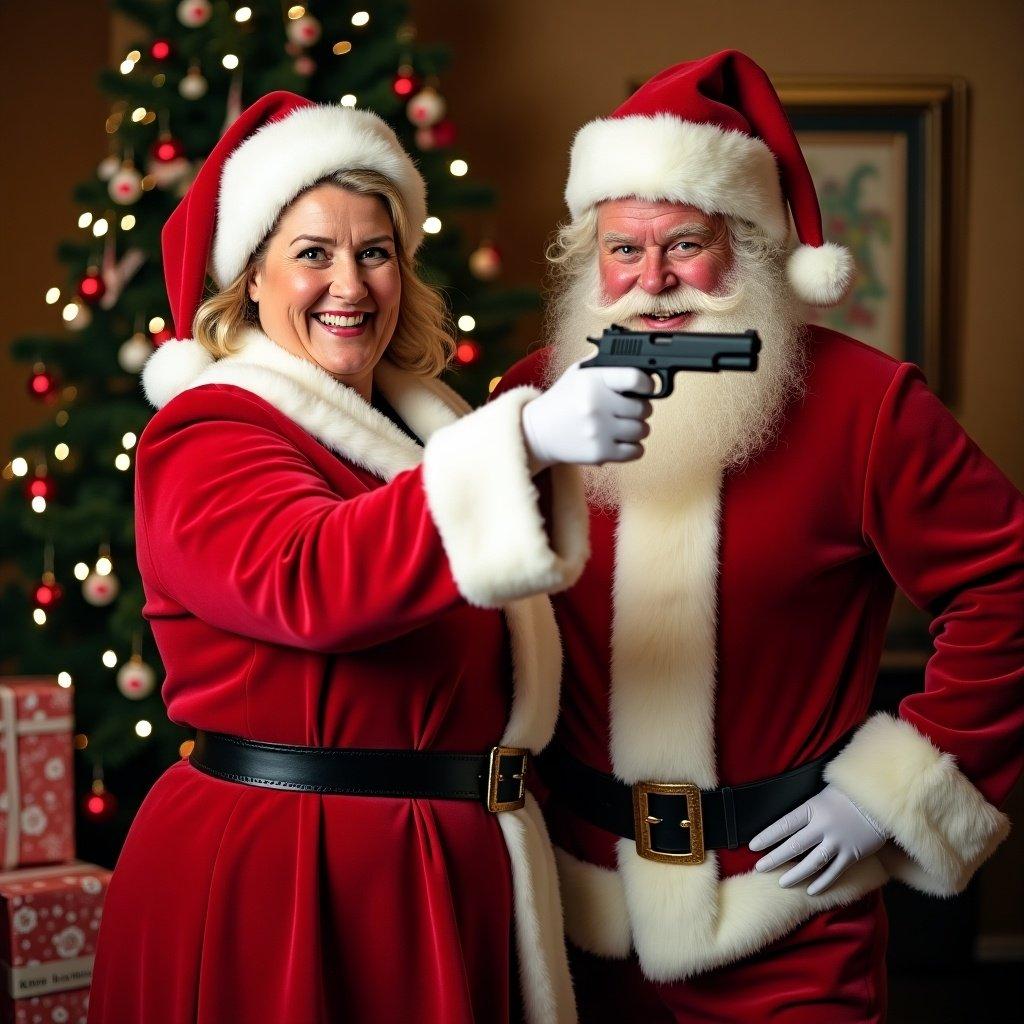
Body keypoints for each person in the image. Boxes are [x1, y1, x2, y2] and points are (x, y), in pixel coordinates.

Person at [87, 92, 654, 1024]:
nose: (350, 284)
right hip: (290, 875)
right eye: (313, 254)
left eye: (375, 252)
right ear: (252, 281)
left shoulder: (423, 426)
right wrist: (525, 443)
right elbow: (308, 578)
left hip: (443, 863)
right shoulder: (207, 430)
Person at [494, 50, 1024, 1022]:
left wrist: (894, 790)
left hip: (785, 916)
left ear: (745, 242)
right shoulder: (529, 400)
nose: (650, 281)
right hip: (570, 913)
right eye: (622, 249)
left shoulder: (868, 407)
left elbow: (1008, 585)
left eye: (683, 244)